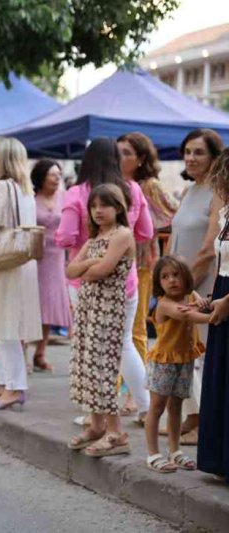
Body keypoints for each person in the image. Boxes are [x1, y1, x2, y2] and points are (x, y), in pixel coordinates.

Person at [55, 138, 153, 424]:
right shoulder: (132, 189)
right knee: (124, 344)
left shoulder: (77, 193)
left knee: (92, 346)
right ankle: (145, 407)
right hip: (127, 282)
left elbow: (64, 237)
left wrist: (87, 255)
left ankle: (95, 413)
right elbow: (146, 232)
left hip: (85, 286)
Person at [66, 183, 136, 457]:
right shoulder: (95, 238)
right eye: (93, 206)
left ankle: (116, 432)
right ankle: (96, 426)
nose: (98, 211)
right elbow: (71, 269)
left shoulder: (122, 235)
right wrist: (88, 267)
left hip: (108, 310)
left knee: (103, 368)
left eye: (104, 205)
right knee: (87, 367)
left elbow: (104, 270)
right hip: (88, 308)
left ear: (118, 208)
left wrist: (87, 268)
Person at [168, 128, 224, 445]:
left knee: (201, 354)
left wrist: (181, 285)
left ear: (215, 158)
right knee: (186, 352)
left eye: (199, 152)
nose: (190, 157)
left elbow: (207, 249)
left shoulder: (217, 192)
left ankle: (206, 425)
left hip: (203, 283)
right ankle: (192, 417)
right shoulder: (190, 190)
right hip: (182, 281)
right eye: (187, 151)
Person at [0, 137, 42, 409]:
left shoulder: (3, 187)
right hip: (19, 262)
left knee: (3, 325)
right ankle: (4, 383)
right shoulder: (25, 189)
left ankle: (14, 386)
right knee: (4, 325)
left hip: (3, 263)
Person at [118, 132, 179, 366]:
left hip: (141, 262)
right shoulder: (115, 184)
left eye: (127, 153)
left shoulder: (148, 185)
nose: (120, 157)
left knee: (136, 325)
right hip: (115, 263)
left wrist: (150, 227)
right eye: (118, 152)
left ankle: (138, 387)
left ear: (141, 158)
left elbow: (175, 213)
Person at [143, 256, 207, 473]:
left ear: (186, 277)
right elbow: (189, 314)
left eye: (176, 275)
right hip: (164, 363)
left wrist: (203, 302)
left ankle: (175, 450)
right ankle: (153, 453)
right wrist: (214, 314)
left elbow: (198, 303)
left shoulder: (189, 295)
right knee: (157, 406)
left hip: (184, 359)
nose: (171, 280)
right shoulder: (164, 304)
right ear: (158, 283)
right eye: (165, 277)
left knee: (177, 405)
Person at [198, 147, 229, 482]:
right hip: (223, 290)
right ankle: (219, 457)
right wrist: (213, 296)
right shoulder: (227, 213)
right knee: (220, 377)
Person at [30, 159, 71, 372]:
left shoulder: (65, 197)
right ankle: (21, 350)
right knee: (30, 302)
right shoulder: (30, 198)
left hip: (55, 257)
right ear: (41, 177)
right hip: (33, 256)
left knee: (50, 303)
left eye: (58, 174)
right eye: (52, 174)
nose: (56, 178)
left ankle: (40, 352)